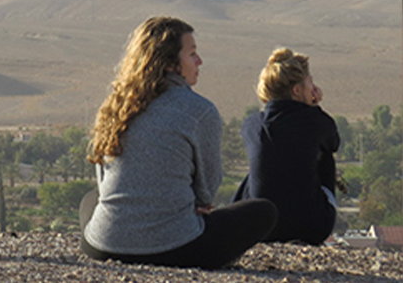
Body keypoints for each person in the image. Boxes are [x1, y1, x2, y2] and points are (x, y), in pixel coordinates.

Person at [80, 16, 277, 269]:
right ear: (170, 63)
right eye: (192, 54)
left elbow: (104, 183)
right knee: (264, 211)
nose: (199, 61)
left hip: (104, 247)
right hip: (177, 249)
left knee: (91, 199)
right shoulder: (199, 110)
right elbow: (206, 193)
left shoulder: (115, 106)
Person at [232, 48, 340, 245]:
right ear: (297, 91)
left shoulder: (251, 124)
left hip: (260, 227)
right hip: (312, 227)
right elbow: (333, 143)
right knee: (325, 156)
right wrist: (315, 108)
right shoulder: (316, 121)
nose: (314, 88)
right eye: (310, 83)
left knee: (267, 161)